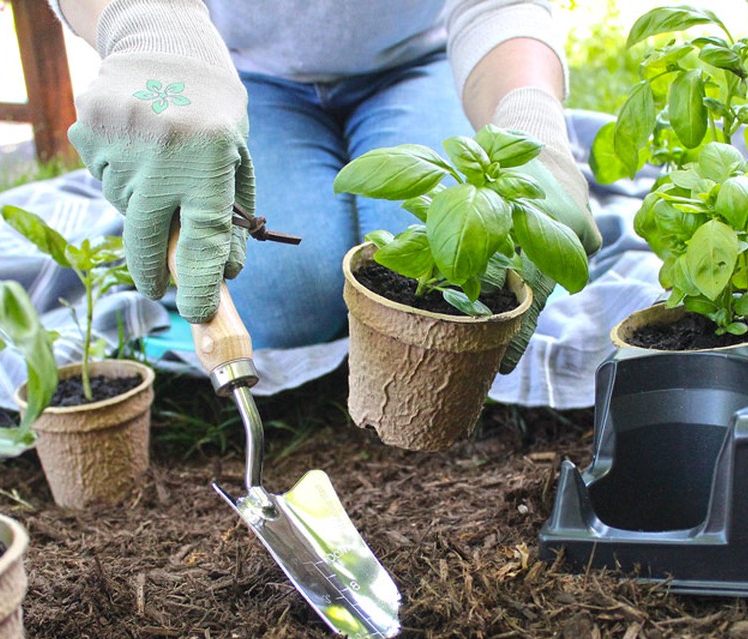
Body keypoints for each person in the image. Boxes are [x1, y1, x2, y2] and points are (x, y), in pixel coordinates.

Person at [49, 0, 601, 371]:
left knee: (437, 288)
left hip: (429, 60)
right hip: (229, 75)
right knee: (288, 301)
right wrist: (149, 32)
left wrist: (531, 118)